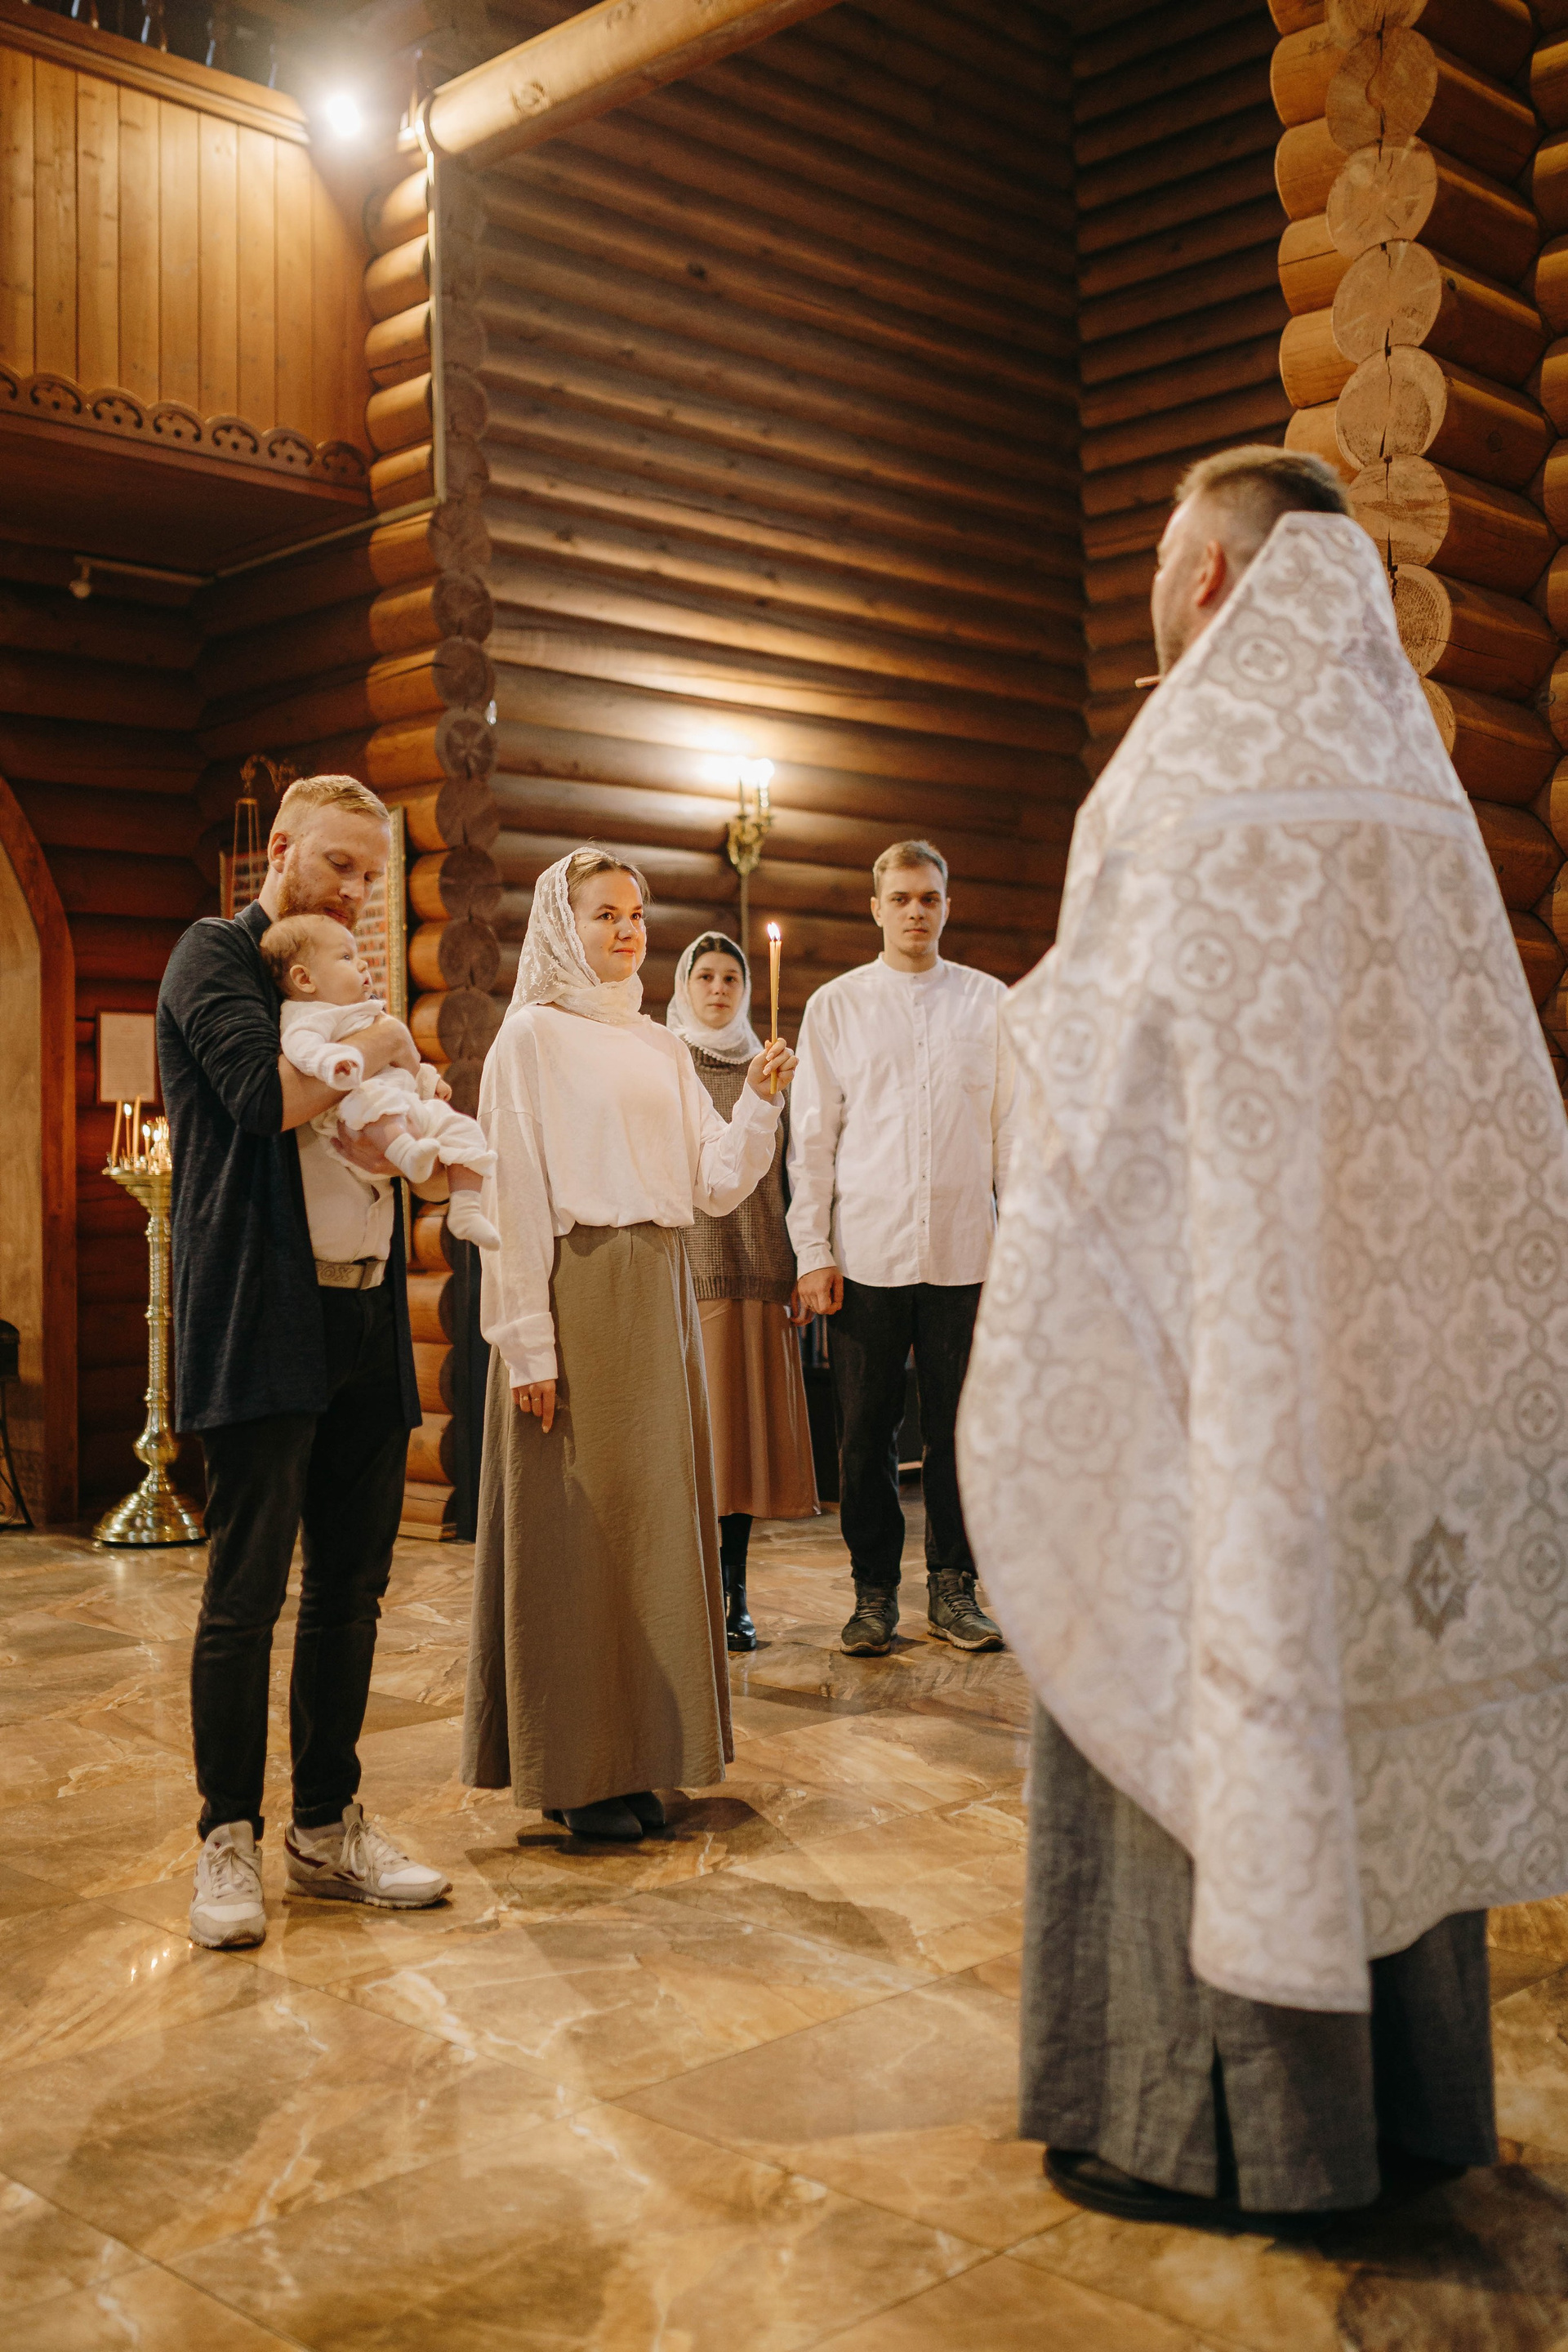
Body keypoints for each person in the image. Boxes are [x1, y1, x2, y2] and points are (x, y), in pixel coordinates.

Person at [959, 445, 1568, 2226]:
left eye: (1165, 555)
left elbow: (1112, 1075)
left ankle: (1208, 2131)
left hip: (1224, 1373)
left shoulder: (1187, 770)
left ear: (1216, 575)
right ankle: (1411, 2112)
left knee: (1207, 1690)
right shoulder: (1422, 799)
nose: (1157, 584)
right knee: (1369, 1713)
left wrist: (1026, 1050)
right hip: (1396, 1390)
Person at [158, 773, 451, 1951]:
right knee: (245, 1596)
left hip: (365, 1315)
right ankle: (226, 1835)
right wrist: (383, 1039)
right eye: (340, 864)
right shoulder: (215, 957)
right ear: (278, 848)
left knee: (350, 1588)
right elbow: (258, 1096)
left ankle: (327, 1826)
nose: (359, 893)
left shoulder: (341, 983)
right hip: (259, 1311)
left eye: (373, 876)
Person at [461, 849, 797, 1843]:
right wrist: (528, 1343)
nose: (627, 929)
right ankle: (574, 1768)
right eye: (605, 913)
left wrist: (761, 1100)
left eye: (637, 913)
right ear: (563, 926)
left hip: (660, 1293)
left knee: (651, 1535)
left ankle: (644, 1752)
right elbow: (513, 1198)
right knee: (579, 1539)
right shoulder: (531, 1038)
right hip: (577, 1298)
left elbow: (713, 1181)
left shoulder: (658, 1046)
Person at [786, 840, 1012, 1657]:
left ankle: (953, 1588)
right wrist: (812, 1251)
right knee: (864, 1434)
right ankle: (873, 1593)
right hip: (867, 1254)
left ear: (948, 906)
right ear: (875, 907)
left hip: (967, 1252)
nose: (916, 911)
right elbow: (812, 1139)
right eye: (902, 898)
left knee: (960, 1432)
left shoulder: (991, 1005)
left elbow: (1015, 1132)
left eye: (930, 898)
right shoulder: (836, 1007)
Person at [666, 932, 818, 1649]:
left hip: (760, 1267)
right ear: (685, 985)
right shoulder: (668, 1061)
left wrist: (803, 1262)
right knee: (696, 1443)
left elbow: (797, 1170)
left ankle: (735, 1592)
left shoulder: (774, 1066)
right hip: (690, 1272)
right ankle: (686, 1590)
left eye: (731, 977)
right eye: (706, 976)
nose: (718, 989)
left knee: (741, 1448)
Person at [265, 911, 499, 1248]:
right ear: (304, 979)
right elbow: (301, 1047)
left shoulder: (365, 1010)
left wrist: (427, 1082)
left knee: (462, 1127)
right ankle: (406, 1152)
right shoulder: (307, 1013)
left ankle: (466, 1208)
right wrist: (335, 1062)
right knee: (375, 1096)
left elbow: (401, 1064)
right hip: (357, 1112)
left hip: (400, 1103)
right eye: (346, 958)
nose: (362, 965)